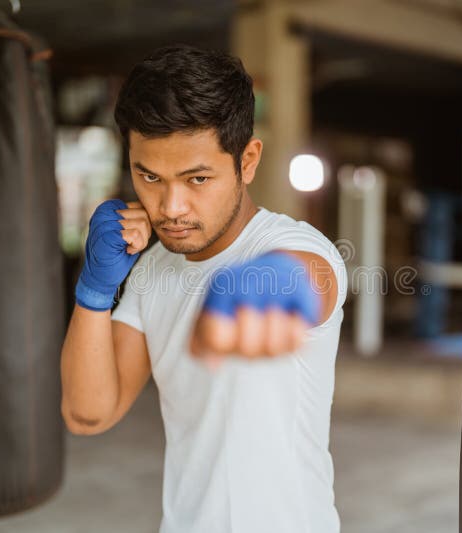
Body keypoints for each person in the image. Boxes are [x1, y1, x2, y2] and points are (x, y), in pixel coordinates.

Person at [60, 45, 347, 533]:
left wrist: (255, 294)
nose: (171, 206)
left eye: (197, 178)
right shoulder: (153, 269)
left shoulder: (293, 245)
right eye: (149, 176)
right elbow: (88, 415)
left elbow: (308, 277)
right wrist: (93, 290)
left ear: (247, 160)